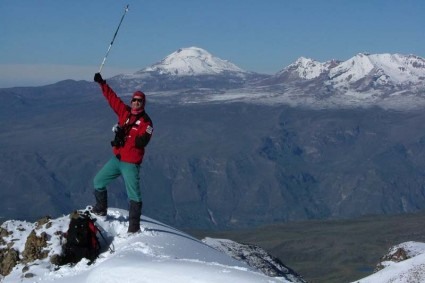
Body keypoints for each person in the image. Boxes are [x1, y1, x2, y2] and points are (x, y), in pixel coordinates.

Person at [92, 72, 153, 233]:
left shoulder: (146, 122)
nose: (136, 103)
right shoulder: (124, 113)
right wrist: (102, 83)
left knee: (134, 195)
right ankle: (100, 209)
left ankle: (134, 227)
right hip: (117, 159)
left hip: (131, 164)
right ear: (131, 101)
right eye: (134, 100)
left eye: (139, 101)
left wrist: (123, 134)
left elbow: (142, 141)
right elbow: (112, 99)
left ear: (143, 103)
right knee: (98, 181)